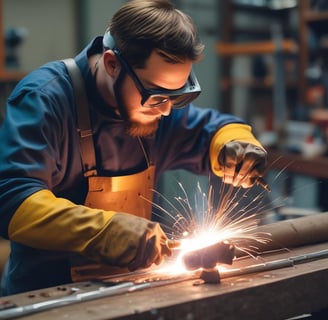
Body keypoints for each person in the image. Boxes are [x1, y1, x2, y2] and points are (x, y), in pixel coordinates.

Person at [0, 0, 268, 296]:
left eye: (177, 96)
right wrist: (104, 230)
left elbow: (210, 129)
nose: (167, 111)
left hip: (129, 291)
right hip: (49, 297)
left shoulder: (156, 104)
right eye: (156, 96)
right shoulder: (45, 100)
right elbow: (11, 199)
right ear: (112, 63)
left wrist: (235, 145)